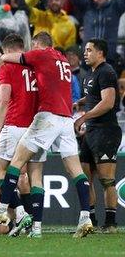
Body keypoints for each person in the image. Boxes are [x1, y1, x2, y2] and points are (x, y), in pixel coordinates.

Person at [0, 32, 93, 238]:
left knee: (16, 163)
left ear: (37, 45)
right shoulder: (62, 60)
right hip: (66, 119)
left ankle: (3, 210)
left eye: (33, 46)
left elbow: (14, 58)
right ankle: (83, 216)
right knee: (73, 171)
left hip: (46, 118)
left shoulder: (41, 55)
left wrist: (0, 59)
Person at [0, 34, 39, 237]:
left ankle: (20, 213)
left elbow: (2, 101)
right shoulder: (36, 66)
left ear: (7, 52)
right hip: (35, 127)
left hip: (14, 125)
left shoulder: (8, 67)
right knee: (28, 175)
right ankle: (35, 223)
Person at [75, 39, 120, 234]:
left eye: (89, 50)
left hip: (106, 131)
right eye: (85, 50)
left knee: (106, 180)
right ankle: (90, 220)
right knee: (85, 178)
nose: (85, 53)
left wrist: (83, 116)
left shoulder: (107, 72)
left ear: (100, 53)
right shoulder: (89, 75)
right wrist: (79, 102)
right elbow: (93, 95)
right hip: (91, 132)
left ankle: (110, 223)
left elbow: (108, 102)